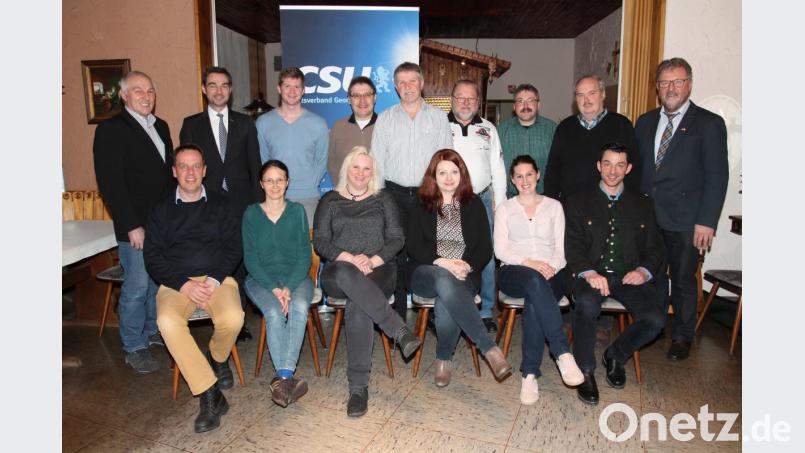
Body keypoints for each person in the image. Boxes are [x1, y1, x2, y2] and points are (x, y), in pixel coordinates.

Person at [313, 146, 421, 418]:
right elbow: (321, 241)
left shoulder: (383, 199)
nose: (361, 173)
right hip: (339, 271)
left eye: (367, 168)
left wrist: (371, 261)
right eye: (356, 167)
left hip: (379, 270)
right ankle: (398, 330)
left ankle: (358, 388)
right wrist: (350, 258)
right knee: (346, 274)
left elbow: (397, 238)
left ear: (373, 173)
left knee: (358, 304)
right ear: (346, 169)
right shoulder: (330, 200)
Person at [144, 145, 244, 433]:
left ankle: (216, 356)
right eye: (184, 166)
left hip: (218, 278)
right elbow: (153, 257)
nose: (190, 172)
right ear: (174, 171)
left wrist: (212, 280)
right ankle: (209, 393)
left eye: (196, 166)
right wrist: (184, 284)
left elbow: (233, 248)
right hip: (176, 282)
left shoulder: (221, 203)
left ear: (204, 170)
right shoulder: (161, 209)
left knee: (234, 318)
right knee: (166, 322)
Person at [635, 58, 729, 361]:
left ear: (689, 84)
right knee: (654, 276)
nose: (671, 88)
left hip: (688, 220)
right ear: (657, 88)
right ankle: (656, 327)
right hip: (650, 217)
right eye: (664, 83)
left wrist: (706, 221)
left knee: (684, 279)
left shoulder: (709, 123)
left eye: (677, 81)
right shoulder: (645, 121)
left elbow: (717, 176)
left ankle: (683, 337)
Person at [565, 143, 665, 406]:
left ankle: (616, 355)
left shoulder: (643, 204)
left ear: (628, 168)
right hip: (590, 274)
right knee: (586, 304)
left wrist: (643, 272)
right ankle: (585, 370)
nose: (613, 170)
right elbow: (571, 245)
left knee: (655, 319)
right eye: (607, 163)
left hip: (627, 276)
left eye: (620, 164)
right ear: (599, 166)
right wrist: (588, 273)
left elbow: (656, 248)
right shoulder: (577, 201)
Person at [407, 149, 512, 388]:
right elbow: (413, 245)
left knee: (446, 300)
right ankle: (489, 348)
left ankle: (443, 360)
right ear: (433, 175)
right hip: (426, 271)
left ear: (462, 174)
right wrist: (443, 262)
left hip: (464, 273)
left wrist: (467, 265)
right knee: (444, 278)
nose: (448, 177)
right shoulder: (421, 203)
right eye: (442, 172)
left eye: (454, 172)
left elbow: (485, 246)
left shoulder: (473, 204)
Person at [93, 70, 174, 374]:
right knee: (137, 286)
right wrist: (131, 225)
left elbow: (166, 176)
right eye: (138, 90)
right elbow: (111, 184)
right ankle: (134, 346)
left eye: (150, 91)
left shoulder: (161, 126)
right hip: (136, 227)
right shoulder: (111, 130)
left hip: (162, 224)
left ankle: (153, 332)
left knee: (157, 283)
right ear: (124, 95)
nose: (146, 96)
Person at [180, 65, 262, 343]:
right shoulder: (191, 124)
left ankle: (236, 320)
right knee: (213, 257)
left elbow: (255, 166)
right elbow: (186, 170)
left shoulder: (245, 122)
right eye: (212, 85)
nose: (219, 90)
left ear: (230, 90)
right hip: (206, 205)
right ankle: (213, 314)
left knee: (238, 260)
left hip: (241, 204)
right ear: (204, 89)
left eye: (224, 85)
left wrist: (258, 207)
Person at [494, 155, 583, 405]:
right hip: (515, 272)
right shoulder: (505, 208)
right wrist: (532, 264)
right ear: (512, 180)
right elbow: (501, 250)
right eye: (519, 176)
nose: (525, 180)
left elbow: (561, 250)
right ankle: (563, 353)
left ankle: (529, 374)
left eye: (529, 174)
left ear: (538, 175)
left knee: (536, 297)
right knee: (534, 282)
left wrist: (549, 267)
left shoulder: (554, 206)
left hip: (552, 272)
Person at [371, 61, 453, 319]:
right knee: (396, 253)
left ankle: (430, 314)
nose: (407, 87)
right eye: (402, 82)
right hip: (393, 194)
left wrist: (443, 196)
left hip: (428, 194)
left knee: (428, 251)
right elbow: (378, 162)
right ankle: (397, 316)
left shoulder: (439, 117)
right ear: (396, 87)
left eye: (412, 81)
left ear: (422, 83)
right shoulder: (385, 119)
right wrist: (380, 200)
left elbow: (446, 159)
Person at [242, 160, 312, 408]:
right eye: (269, 180)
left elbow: (305, 255)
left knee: (299, 307)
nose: (275, 185)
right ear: (261, 184)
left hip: (297, 277)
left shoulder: (297, 212)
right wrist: (274, 288)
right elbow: (250, 259)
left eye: (280, 179)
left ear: (288, 182)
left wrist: (289, 287)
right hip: (261, 279)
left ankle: (282, 378)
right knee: (273, 312)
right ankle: (287, 380)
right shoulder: (251, 214)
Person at [448, 79, 506, 333]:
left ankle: (486, 310)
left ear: (478, 102)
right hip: (448, 199)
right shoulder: (439, 126)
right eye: (461, 97)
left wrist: (500, 206)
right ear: (452, 99)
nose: (466, 102)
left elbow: (498, 170)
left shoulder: (489, 129)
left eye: (471, 98)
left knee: (487, 255)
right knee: (450, 253)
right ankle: (452, 305)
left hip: (482, 199)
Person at [544, 75, 639, 204]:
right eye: (580, 95)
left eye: (591, 93)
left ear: (603, 94)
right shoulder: (565, 128)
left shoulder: (622, 125)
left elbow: (634, 170)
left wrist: (627, 205)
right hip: (571, 208)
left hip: (609, 207)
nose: (586, 100)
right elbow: (552, 172)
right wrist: (552, 205)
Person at [256, 67, 329, 223]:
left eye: (297, 87)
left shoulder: (318, 124)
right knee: (276, 246)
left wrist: (310, 183)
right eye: (287, 86)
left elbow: (322, 160)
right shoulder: (263, 123)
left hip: (308, 198)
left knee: (307, 246)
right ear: (279, 89)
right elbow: (263, 160)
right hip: (275, 198)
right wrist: (272, 186)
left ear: (303, 91)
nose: (292, 91)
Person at [498, 84, 557, 196]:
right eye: (520, 101)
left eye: (530, 100)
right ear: (514, 106)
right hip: (510, 198)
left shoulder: (553, 130)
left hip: (544, 197)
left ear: (538, 104)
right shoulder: (500, 131)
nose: (525, 105)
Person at [328, 76, 377, 187]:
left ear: (375, 98)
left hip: (379, 196)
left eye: (367, 95)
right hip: (345, 196)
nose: (362, 100)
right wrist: (342, 188)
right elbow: (331, 163)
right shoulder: (338, 127)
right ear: (349, 99)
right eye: (356, 95)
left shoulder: (385, 125)